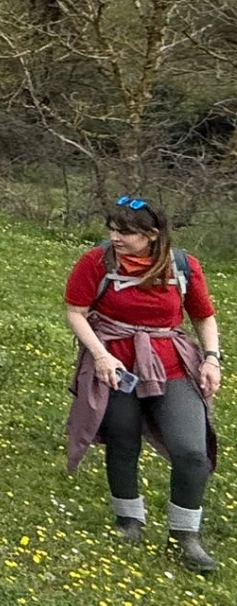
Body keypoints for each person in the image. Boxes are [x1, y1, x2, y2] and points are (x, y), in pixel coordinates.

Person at [64, 196, 222, 572]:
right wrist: (100, 355)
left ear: (152, 235)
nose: (114, 238)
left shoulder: (183, 267)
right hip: (115, 363)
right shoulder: (96, 261)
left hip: (172, 365)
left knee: (191, 451)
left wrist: (212, 358)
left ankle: (185, 536)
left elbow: (204, 316)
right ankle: (129, 520)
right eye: (112, 230)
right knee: (122, 438)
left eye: (125, 232)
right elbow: (76, 312)